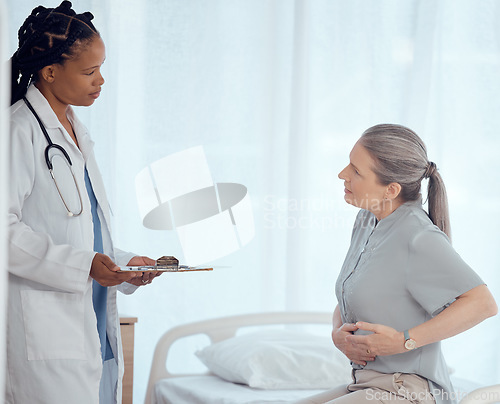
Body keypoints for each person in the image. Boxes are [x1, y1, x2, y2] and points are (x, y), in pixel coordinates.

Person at [7, 2, 160, 403]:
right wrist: (82, 265)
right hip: (48, 329)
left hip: (91, 320)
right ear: (50, 71)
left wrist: (120, 263)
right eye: (90, 71)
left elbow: (80, 226)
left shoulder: (75, 130)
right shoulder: (18, 132)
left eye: (101, 68)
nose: (101, 80)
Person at [298, 124, 497, 404]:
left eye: (356, 170)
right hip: (365, 384)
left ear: (390, 189)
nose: (342, 174)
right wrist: (337, 334)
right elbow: (356, 293)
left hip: (407, 390)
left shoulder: (418, 236)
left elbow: (482, 303)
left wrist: (404, 340)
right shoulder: (367, 221)